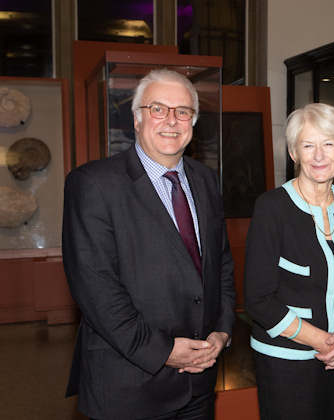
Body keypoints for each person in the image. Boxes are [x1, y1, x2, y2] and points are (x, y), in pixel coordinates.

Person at [62, 68, 236, 420]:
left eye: (183, 111)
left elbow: (222, 265)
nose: (171, 120)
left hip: (199, 383)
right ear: (137, 118)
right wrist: (163, 351)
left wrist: (222, 330)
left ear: (194, 122)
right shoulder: (93, 184)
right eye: (158, 109)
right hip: (130, 385)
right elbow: (96, 289)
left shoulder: (205, 181)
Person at [244, 103, 334, 420]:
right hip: (286, 360)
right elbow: (258, 300)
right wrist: (326, 342)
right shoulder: (272, 208)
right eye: (308, 146)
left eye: (329, 144)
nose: (319, 156)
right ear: (294, 153)